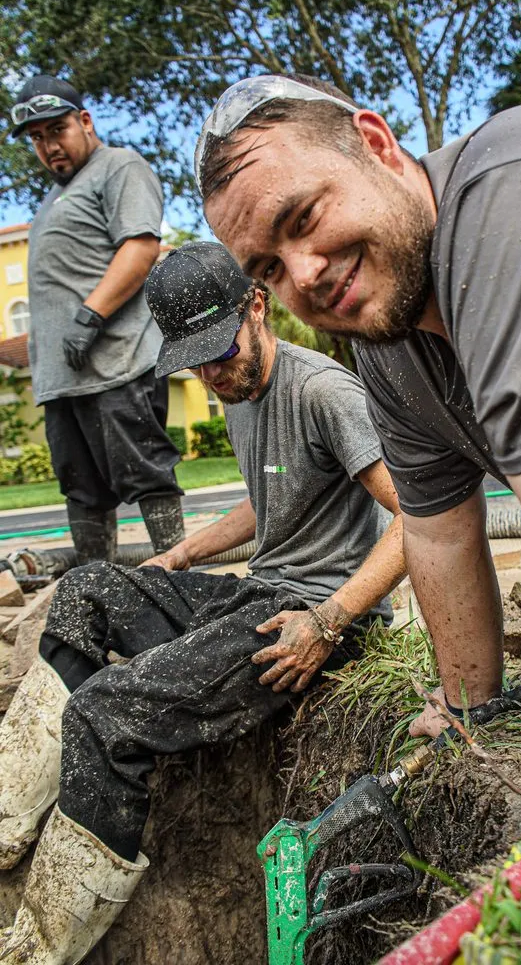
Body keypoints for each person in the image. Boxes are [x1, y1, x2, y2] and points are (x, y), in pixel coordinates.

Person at [195, 74, 521, 895]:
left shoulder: (519, 197)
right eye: (268, 267)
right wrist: (464, 710)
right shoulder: (386, 341)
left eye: (303, 219)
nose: (303, 275)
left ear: (378, 145)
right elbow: (440, 527)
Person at [0, 241, 405, 962]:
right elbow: (269, 499)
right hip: (256, 593)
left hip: (315, 617)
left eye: (222, 353)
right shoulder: (242, 393)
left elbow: (420, 520)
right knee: (87, 588)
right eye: (197, 362)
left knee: (105, 712)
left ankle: (39, 948)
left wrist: (332, 618)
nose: (214, 375)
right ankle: (7, 822)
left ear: (258, 304)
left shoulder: (324, 392)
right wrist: (181, 554)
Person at [10, 74, 184, 562]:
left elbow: (141, 245)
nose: (48, 146)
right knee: (81, 490)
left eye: (56, 130)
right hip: (62, 381)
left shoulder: (119, 166)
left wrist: (92, 315)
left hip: (117, 365)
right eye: (37, 139)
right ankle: (95, 597)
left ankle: (181, 582)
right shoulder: (51, 200)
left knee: (146, 471)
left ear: (85, 121)